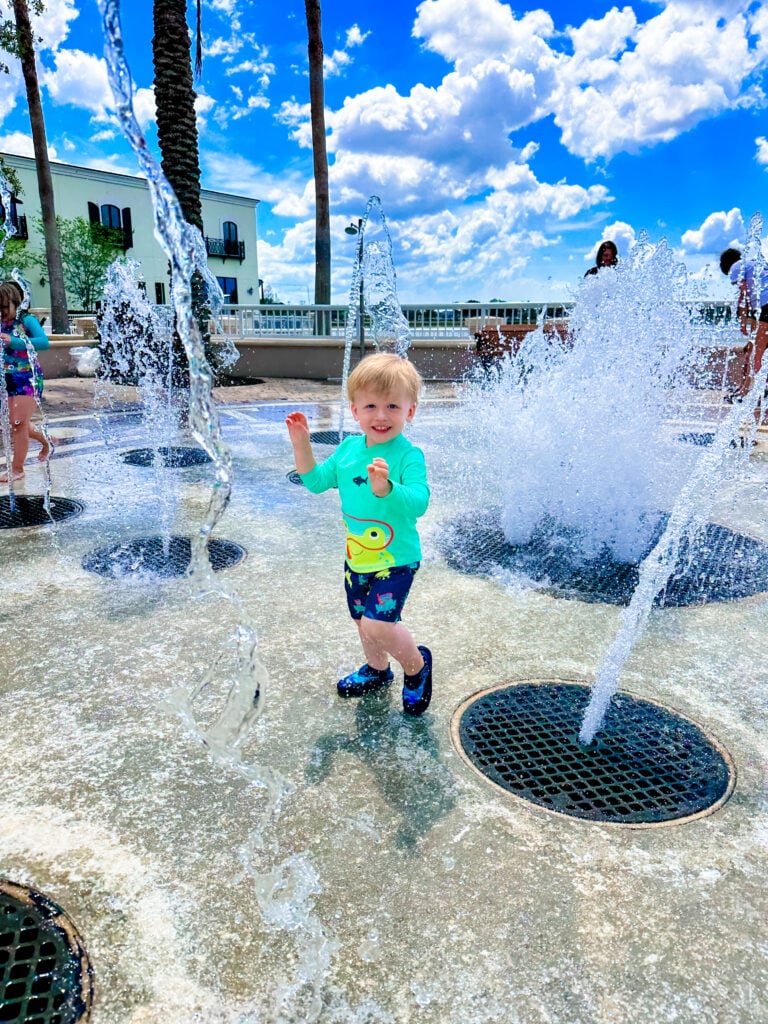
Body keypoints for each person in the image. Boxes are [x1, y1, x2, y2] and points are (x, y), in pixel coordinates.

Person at [286, 352, 433, 716]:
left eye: (392, 406)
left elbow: (419, 502)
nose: (381, 415)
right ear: (354, 410)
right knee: (361, 622)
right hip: (357, 559)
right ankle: (378, 669)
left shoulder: (408, 456)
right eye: (371, 405)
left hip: (396, 559)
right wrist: (302, 444)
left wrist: (387, 489)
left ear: (409, 412)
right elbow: (317, 482)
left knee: (377, 622)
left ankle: (416, 667)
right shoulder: (349, 449)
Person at [0, 280, 50, 482]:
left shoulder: (27, 321)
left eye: (4, 307)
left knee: (17, 424)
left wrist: (16, 342)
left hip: (27, 378)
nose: (1, 312)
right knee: (14, 424)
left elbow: (44, 342)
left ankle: (18, 469)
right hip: (5, 379)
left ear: (16, 302)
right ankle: (46, 440)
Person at [720, 248, 768, 407]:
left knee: (757, 354)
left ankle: (749, 393)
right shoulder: (755, 264)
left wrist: (742, 321)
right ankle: (749, 389)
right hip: (764, 308)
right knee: (754, 349)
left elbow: (743, 293)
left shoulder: (736, 266)